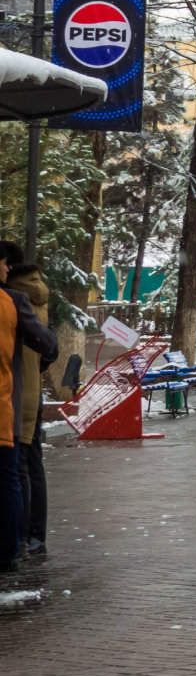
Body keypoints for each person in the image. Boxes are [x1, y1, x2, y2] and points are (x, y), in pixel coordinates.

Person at [0, 241, 56, 572]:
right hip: (28, 391)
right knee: (29, 465)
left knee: (16, 471)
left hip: (15, 394)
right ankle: (33, 536)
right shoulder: (35, 293)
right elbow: (49, 346)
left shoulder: (13, 297)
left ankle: (19, 541)